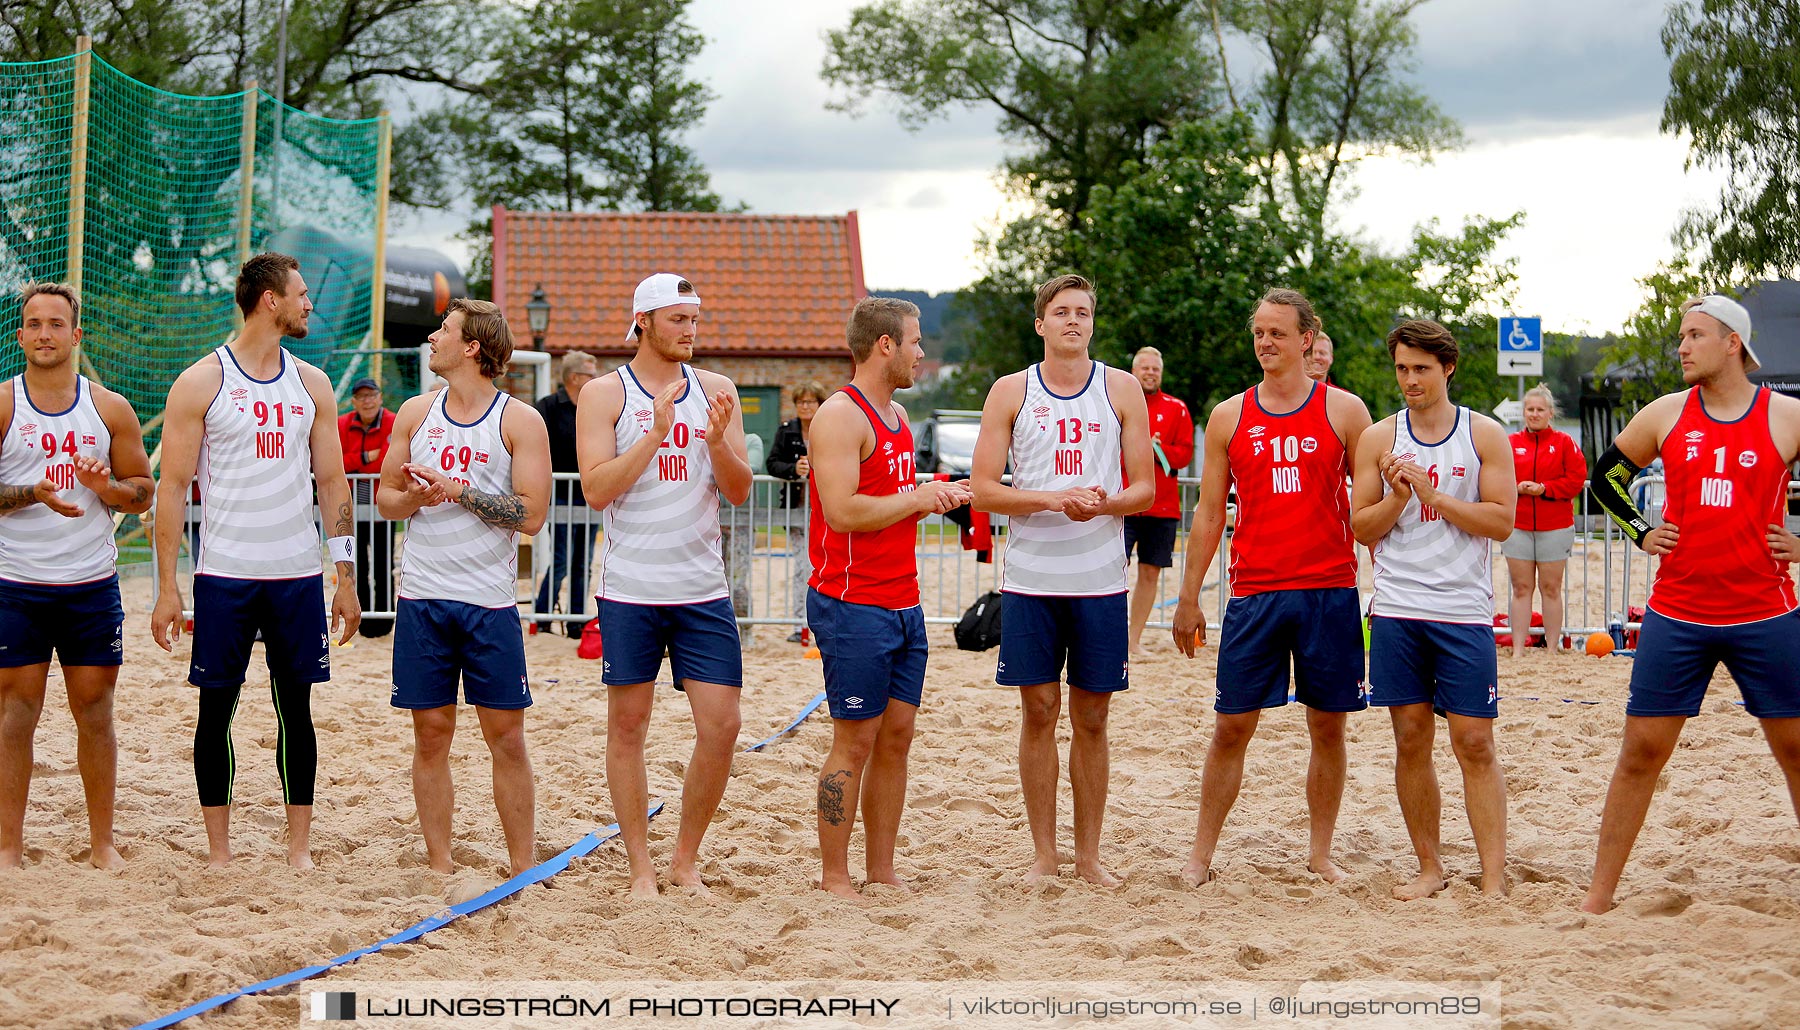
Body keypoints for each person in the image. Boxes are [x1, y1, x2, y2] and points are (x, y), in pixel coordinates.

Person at [1581, 295, 1800, 914]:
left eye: (1695, 335)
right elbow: (1606, 478)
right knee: (1641, 752)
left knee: (1795, 751)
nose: (1681, 346)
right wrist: (1639, 531)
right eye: (1681, 335)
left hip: (1767, 613)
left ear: (1734, 343)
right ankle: (1598, 898)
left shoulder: (1784, 415)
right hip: (1677, 615)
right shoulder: (1666, 413)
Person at [150, 252, 360, 869]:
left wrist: (345, 577)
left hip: (296, 576)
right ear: (270, 300)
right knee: (217, 709)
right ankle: (220, 853)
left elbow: (334, 487)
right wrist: (167, 587)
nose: (308, 303)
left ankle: (299, 850)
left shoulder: (312, 383)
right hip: (225, 576)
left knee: (297, 710)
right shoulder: (202, 380)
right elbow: (171, 488)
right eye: (300, 293)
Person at [1171, 288, 1372, 886]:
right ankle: (1200, 856)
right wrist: (1188, 596)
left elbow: (1370, 509)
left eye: (1278, 333)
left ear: (1307, 339)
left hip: (1328, 590)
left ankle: (1320, 853)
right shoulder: (1230, 415)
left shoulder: (1346, 412)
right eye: (1259, 332)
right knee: (1231, 725)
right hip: (1255, 592)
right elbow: (1209, 514)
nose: (1265, 342)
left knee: (1328, 725)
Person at [970, 273, 1154, 886]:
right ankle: (1045, 856)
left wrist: (1100, 506)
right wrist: (1054, 499)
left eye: (1082, 312)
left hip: (1100, 578)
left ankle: (1089, 857)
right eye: (1061, 311)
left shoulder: (1123, 389)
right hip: (1032, 579)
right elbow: (986, 489)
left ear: (1093, 323)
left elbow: (1145, 488)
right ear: (1040, 323)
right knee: (1040, 710)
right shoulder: (1011, 390)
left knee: (1094, 717)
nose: (1073, 320)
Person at [577, 273, 752, 897]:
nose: (691, 330)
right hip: (631, 586)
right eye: (678, 319)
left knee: (722, 724)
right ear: (644, 321)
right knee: (629, 726)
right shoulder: (604, 393)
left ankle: (685, 857)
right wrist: (653, 432)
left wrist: (716, 444)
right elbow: (596, 490)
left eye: (695, 318)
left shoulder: (718, 390)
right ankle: (640, 866)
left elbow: (737, 491)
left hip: (701, 585)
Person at [378, 300, 550, 877]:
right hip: (423, 599)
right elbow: (385, 501)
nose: (432, 337)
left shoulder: (519, 420)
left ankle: (522, 865)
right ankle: (440, 865)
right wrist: (416, 499)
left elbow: (530, 515)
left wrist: (459, 491)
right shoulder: (414, 412)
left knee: (505, 736)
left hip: (488, 603)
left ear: (472, 346)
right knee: (431, 733)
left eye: (444, 331)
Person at [810, 298, 970, 898]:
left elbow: (892, 492)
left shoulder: (899, 415)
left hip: (903, 598)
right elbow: (843, 510)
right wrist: (917, 500)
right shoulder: (840, 416)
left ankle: (881, 867)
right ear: (885, 345)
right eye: (915, 341)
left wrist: (933, 490)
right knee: (854, 738)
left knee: (897, 736)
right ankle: (834, 874)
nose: (921, 352)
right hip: (852, 601)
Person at [1352, 320, 1516, 899]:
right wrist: (1398, 497)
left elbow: (1502, 520)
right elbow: (1360, 525)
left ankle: (1493, 875)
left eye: (1421, 368)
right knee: (1410, 738)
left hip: (1464, 610)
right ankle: (1430, 866)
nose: (1410, 379)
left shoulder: (1485, 434)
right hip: (1397, 608)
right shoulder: (1379, 437)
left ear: (1447, 369)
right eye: (1401, 368)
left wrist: (1436, 497)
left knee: (1474, 741)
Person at [0, 283, 154, 870]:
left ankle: (102, 844)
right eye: (34, 324)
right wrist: (27, 493)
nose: (44, 333)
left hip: (90, 584)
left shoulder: (109, 407)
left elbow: (142, 491)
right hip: (16, 584)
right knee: (16, 712)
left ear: (75, 334)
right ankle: (8, 848)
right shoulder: (5, 404)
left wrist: (105, 490)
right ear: (20, 336)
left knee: (95, 709)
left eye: (56, 324)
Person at [1503, 384, 1585, 656]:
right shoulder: (1511, 443)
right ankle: (1517, 649)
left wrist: (1545, 489)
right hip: (1518, 526)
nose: (1535, 414)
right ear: (1523, 412)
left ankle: (1551, 648)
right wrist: (1516, 488)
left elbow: (1575, 479)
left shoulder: (1564, 443)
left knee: (1551, 588)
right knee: (1521, 587)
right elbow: (1496, 478)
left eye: (1540, 410)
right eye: (1530, 409)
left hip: (1555, 526)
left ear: (1551, 413)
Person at [1122, 347, 1194, 656]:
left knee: (1150, 573)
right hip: (1122, 502)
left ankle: (1132, 640)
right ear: (1134, 371)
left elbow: (1184, 454)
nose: (1150, 373)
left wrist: (1155, 450)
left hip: (1162, 506)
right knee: (1113, 569)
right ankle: (1106, 635)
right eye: (1145, 368)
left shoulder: (1177, 408)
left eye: (1155, 369)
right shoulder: (1119, 403)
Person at [532, 352, 599, 637]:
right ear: (574, 378)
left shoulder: (595, 406)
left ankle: (575, 623)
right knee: (560, 559)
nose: (595, 380)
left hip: (589, 493)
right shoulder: (547, 408)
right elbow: (536, 449)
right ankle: (543, 616)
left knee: (583, 562)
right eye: (591, 375)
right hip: (559, 494)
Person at [767, 381, 828, 644]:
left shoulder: (829, 428)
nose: (805, 406)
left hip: (825, 509)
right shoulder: (786, 431)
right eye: (801, 402)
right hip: (796, 507)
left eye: (810, 402)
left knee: (822, 566)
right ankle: (799, 623)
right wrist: (794, 469)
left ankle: (819, 623)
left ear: (819, 404)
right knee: (802, 567)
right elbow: (772, 463)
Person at [339, 376, 396, 637]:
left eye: (371, 395)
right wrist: (364, 457)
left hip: (383, 505)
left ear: (380, 397)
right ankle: (362, 619)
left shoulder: (393, 422)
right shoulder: (342, 424)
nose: (367, 401)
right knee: (357, 565)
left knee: (384, 565)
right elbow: (335, 461)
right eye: (362, 397)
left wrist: (358, 463)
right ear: (354, 401)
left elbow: (388, 463)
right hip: (353, 507)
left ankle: (384, 621)